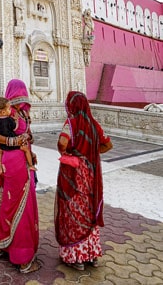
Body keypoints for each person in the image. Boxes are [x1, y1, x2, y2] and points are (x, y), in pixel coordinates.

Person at [55, 91, 113, 271]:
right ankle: (91, 255)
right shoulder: (94, 124)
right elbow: (108, 144)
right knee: (88, 209)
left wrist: (73, 154)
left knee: (73, 209)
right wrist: (90, 153)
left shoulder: (71, 123)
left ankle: (76, 257)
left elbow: (62, 144)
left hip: (73, 173)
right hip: (90, 173)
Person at [0, 79, 40, 274]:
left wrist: (28, 143)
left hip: (20, 161)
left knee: (11, 204)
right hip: (15, 162)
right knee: (22, 206)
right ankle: (22, 257)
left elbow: (28, 135)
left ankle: (1, 244)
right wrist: (11, 140)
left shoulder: (21, 113)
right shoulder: (9, 114)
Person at [0, 97, 36, 173]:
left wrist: (29, 137)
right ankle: (30, 165)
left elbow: (28, 131)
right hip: (13, 150)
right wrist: (12, 141)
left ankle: (2, 167)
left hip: (20, 148)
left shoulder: (24, 112)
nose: (19, 103)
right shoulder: (8, 115)